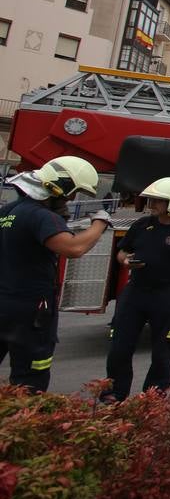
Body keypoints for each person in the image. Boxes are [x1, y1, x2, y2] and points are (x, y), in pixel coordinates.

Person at [0, 157, 111, 391]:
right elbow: (73, 248)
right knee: (30, 377)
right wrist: (99, 224)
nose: (71, 199)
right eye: (73, 192)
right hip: (31, 309)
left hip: (5, 300)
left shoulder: (8, 211)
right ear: (60, 187)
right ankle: (27, 420)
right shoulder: (41, 216)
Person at [102, 178, 170, 402]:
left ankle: (153, 397)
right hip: (135, 292)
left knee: (161, 352)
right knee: (119, 347)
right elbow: (122, 252)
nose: (152, 204)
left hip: (167, 295)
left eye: (159, 201)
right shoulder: (141, 225)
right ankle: (114, 394)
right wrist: (126, 261)